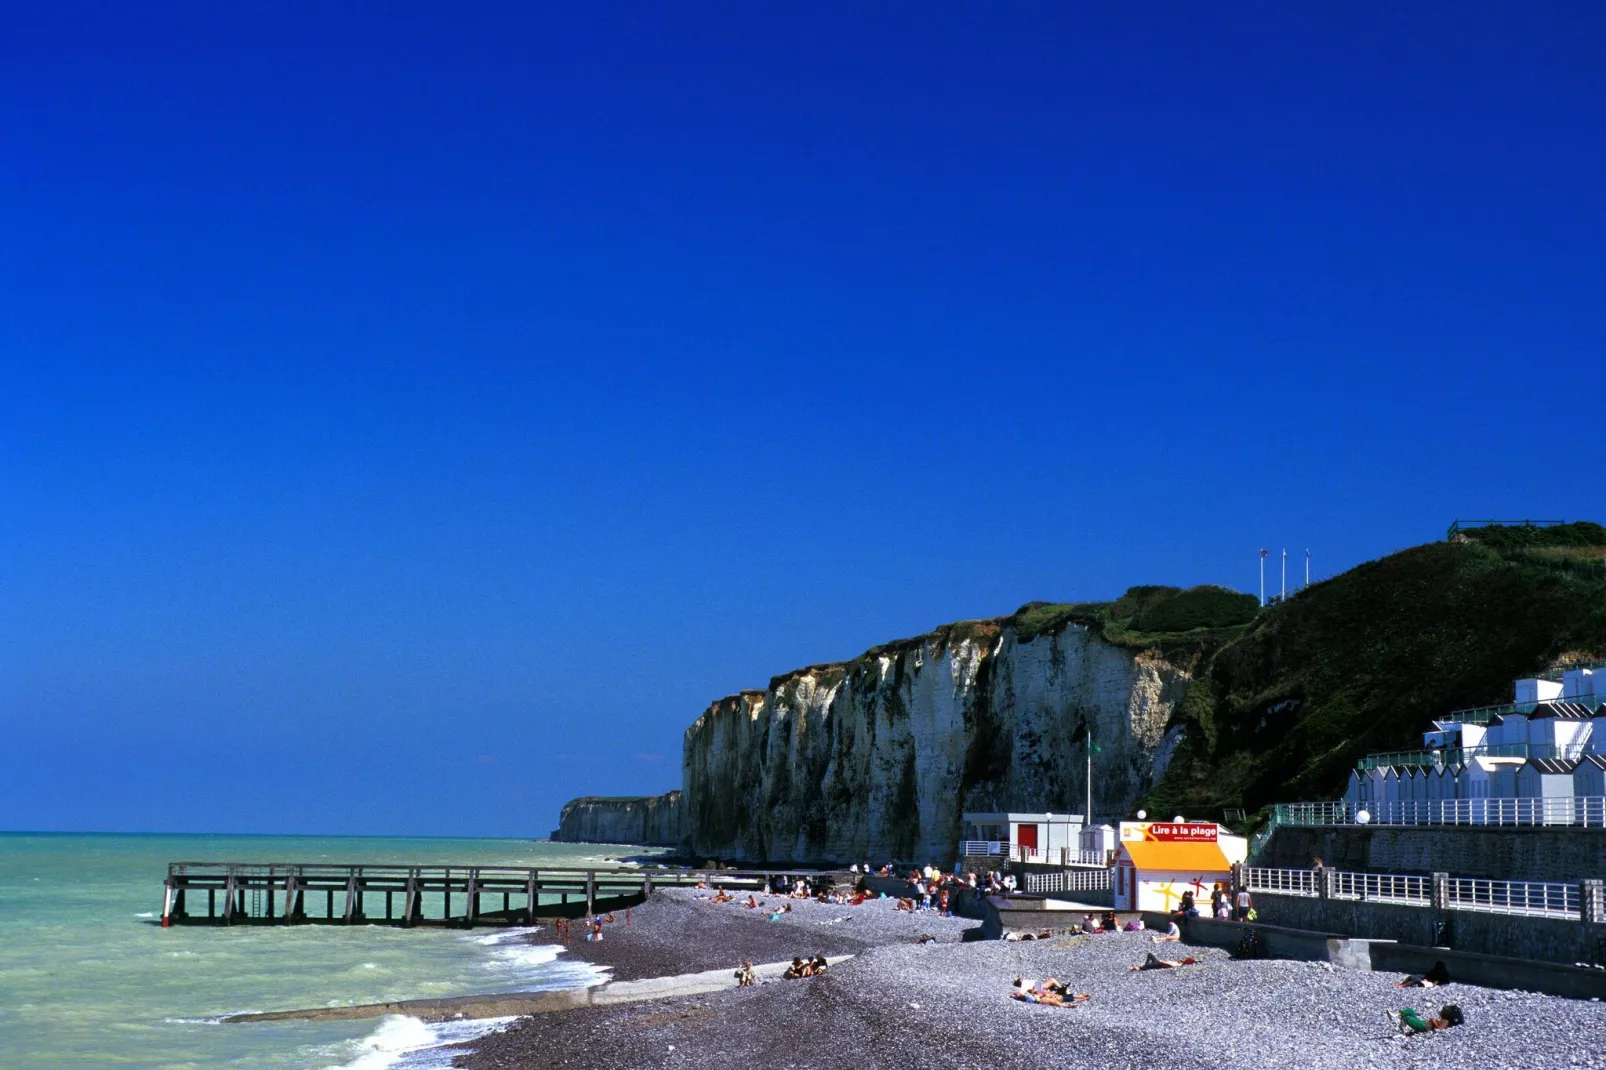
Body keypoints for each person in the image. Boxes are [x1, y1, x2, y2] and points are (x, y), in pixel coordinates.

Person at [1388, 1004, 1465, 1034]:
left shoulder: (1446, 1021)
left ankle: (1404, 1032)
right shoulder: (1446, 1020)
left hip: (1424, 1026)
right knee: (1410, 1010)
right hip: (1423, 1023)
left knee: (1407, 1018)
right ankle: (1395, 1015)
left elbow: (1439, 1028)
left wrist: (1433, 1020)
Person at [1130, 952, 1198, 971]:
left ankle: (1140, 968)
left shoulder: (1179, 965)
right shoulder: (1181, 962)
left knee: (1143, 968)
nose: (1186, 959)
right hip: (1158, 962)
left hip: (1159, 964)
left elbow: (1171, 965)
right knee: (1149, 954)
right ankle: (1144, 966)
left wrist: (1163, 962)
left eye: (1187, 959)